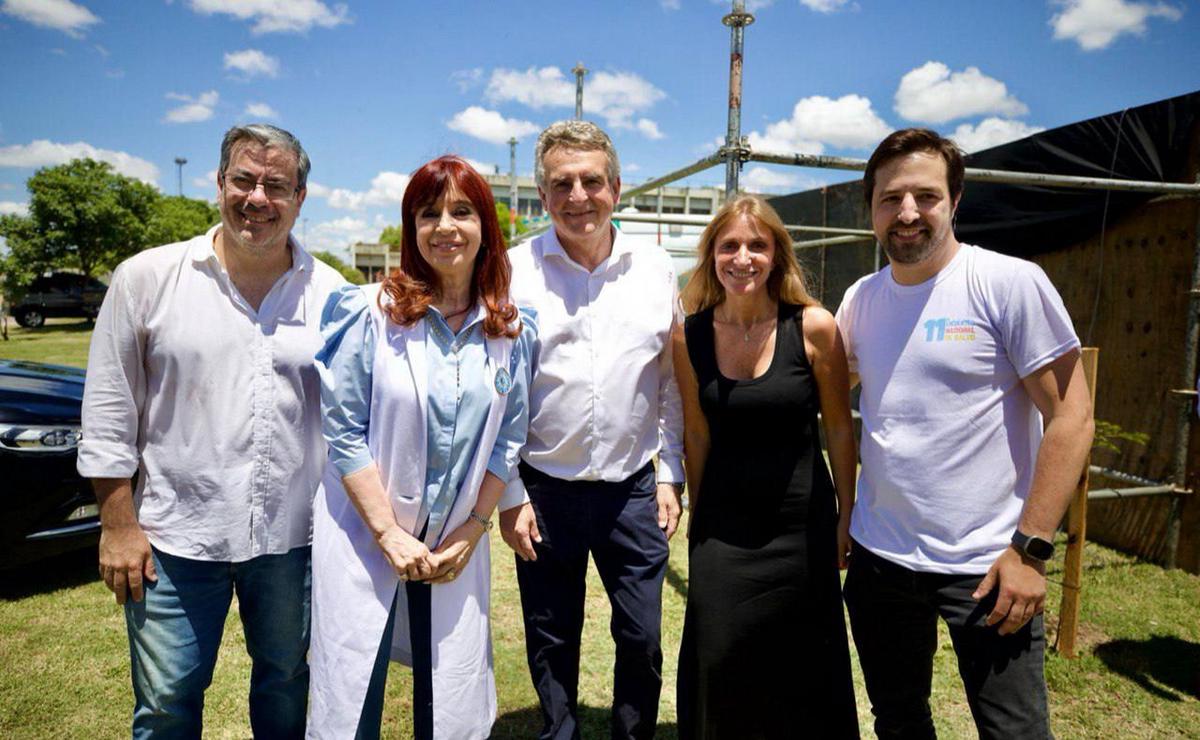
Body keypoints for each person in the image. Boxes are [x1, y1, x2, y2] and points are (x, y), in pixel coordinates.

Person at [76, 123, 346, 737]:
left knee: (288, 687)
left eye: (275, 185)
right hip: (173, 539)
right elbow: (109, 412)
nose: (257, 198)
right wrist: (118, 524)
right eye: (244, 180)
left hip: (292, 540)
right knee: (168, 702)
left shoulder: (333, 294)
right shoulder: (145, 279)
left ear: (301, 197)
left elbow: (352, 419)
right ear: (219, 184)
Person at [836, 128, 1095, 739]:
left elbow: (1072, 417)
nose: (906, 213)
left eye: (925, 196)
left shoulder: (1007, 283)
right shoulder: (861, 300)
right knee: (898, 719)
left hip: (987, 565)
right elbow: (816, 395)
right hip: (881, 560)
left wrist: (1031, 550)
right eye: (889, 198)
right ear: (871, 208)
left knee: (1014, 732)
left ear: (955, 201)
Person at [306, 155, 536, 740]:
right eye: (428, 213)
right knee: (352, 694)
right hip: (366, 534)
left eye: (462, 211)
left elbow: (508, 440)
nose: (445, 226)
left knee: (451, 702)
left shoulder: (511, 327)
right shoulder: (369, 313)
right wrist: (387, 532)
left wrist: (472, 531)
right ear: (411, 228)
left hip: (455, 540)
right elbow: (342, 430)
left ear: (486, 226)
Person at [498, 119, 685, 740]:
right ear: (543, 196)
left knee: (642, 635)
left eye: (591, 181)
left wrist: (671, 471)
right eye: (562, 184)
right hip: (545, 490)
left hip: (633, 489)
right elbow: (497, 392)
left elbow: (669, 381)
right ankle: (560, 732)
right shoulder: (511, 272)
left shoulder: (655, 268)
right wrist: (511, 494)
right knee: (551, 635)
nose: (579, 196)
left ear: (617, 186)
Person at [672, 195, 859, 738]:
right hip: (724, 528)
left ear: (777, 254)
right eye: (729, 245)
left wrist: (847, 515)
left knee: (803, 662)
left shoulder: (815, 327)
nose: (743, 257)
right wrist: (699, 513)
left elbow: (840, 427)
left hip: (801, 526)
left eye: (758, 245)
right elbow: (696, 430)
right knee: (718, 653)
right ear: (711, 256)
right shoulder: (689, 334)